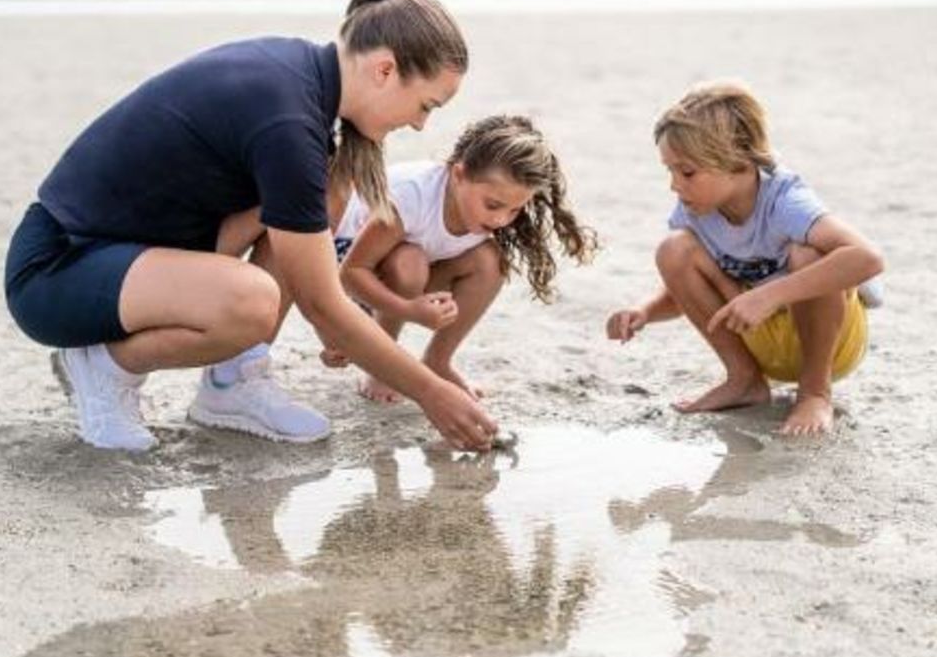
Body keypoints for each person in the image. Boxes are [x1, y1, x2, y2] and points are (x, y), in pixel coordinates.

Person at [3, 0, 498, 452]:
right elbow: (322, 302)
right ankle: (103, 367)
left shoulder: (302, 80)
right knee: (251, 302)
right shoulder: (289, 118)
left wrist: (345, 332)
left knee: (326, 190)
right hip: (59, 271)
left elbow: (313, 270)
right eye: (426, 105)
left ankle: (232, 381)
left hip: (135, 254)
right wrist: (431, 393)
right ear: (385, 70)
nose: (420, 124)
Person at [605, 81, 885, 437]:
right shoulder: (696, 210)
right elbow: (686, 290)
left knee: (809, 252)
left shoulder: (785, 200)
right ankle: (745, 379)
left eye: (687, 172)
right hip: (757, 333)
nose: (674, 185)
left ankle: (815, 392)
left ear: (736, 159)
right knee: (673, 249)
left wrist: (770, 295)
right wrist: (644, 311)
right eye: (669, 171)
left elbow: (868, 258)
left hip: (830, 342)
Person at [326, 113, 597, 403]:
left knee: (491, 261)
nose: (501, 220)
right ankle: (381, 364)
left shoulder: (486, 209)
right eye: (493, 205)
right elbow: (350, 273)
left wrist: (414, 306)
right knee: (409, 262)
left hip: (408, 278)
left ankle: (437, 361)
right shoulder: (410, 197)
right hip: (349, 270)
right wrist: (408, 309)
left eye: (514, 210)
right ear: (458, 175)